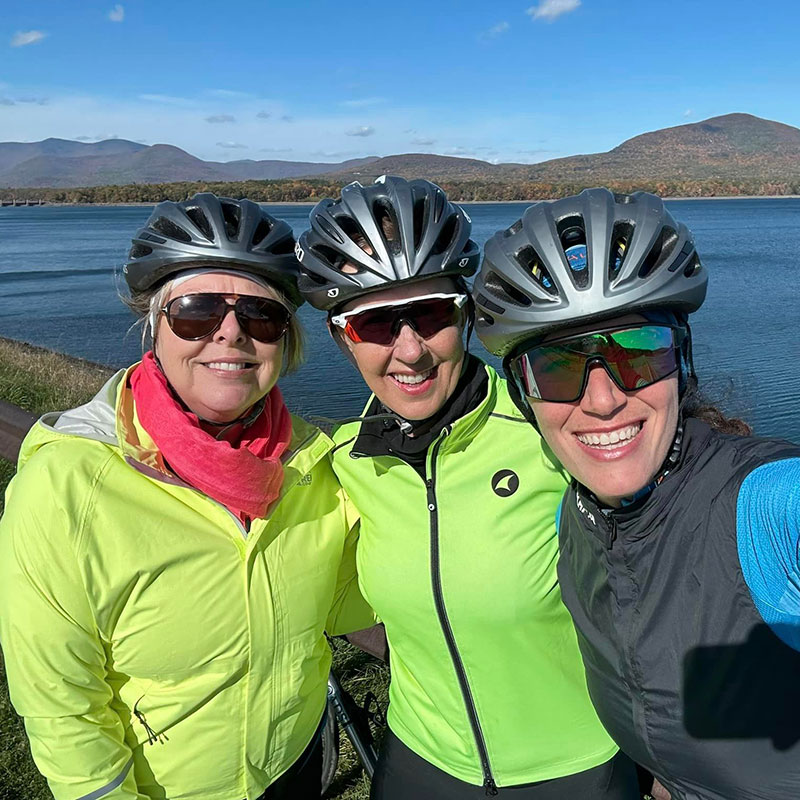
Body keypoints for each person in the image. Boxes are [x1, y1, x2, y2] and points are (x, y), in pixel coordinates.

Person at [0, 193, 375, 800]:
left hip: (296, 767)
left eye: (260, 315)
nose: (230, 333)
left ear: (285, 339)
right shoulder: (70, 483)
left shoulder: (315, 465)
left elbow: (348, 602)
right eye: (197, 312)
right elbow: (59, 701)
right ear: (155, 324)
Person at [293, 176, 639, 799]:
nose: (409, 352)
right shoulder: (344, 462)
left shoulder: (552, 430)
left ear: (469, 313)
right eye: (373, 324)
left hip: (576, 766)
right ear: (341, 337)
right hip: (419, 760)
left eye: (431, 314)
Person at [473, 187, 800, 800]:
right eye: (558, 368)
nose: (602, 400)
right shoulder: (578, 516)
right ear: (524, 397)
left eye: (640, 352)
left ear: (681, 360)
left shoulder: (764, 505)